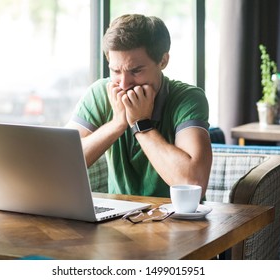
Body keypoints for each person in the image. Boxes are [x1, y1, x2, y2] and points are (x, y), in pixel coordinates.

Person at [66, 14, 212, 198]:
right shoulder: (100, 94)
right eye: (115, 71)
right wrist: (117, 124)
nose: (124, 83)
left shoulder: (188, 98)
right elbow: (62, 162)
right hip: (120, 219)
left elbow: (193, 183)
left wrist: (141, 124)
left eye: (136, 71)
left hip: (177, 219)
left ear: (163, 61)